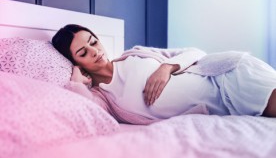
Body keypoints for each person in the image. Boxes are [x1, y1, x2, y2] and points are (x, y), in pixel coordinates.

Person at [52, 24, 276, 124]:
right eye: (83, 52)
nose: (95, 51)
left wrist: (165, 68)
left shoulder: (135, 54)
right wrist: (76, 83)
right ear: (76, 62)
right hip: (222, 106)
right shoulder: (103, 99)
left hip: (227, 77)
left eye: (93, 42)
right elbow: (84, 114)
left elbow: (195, 52)